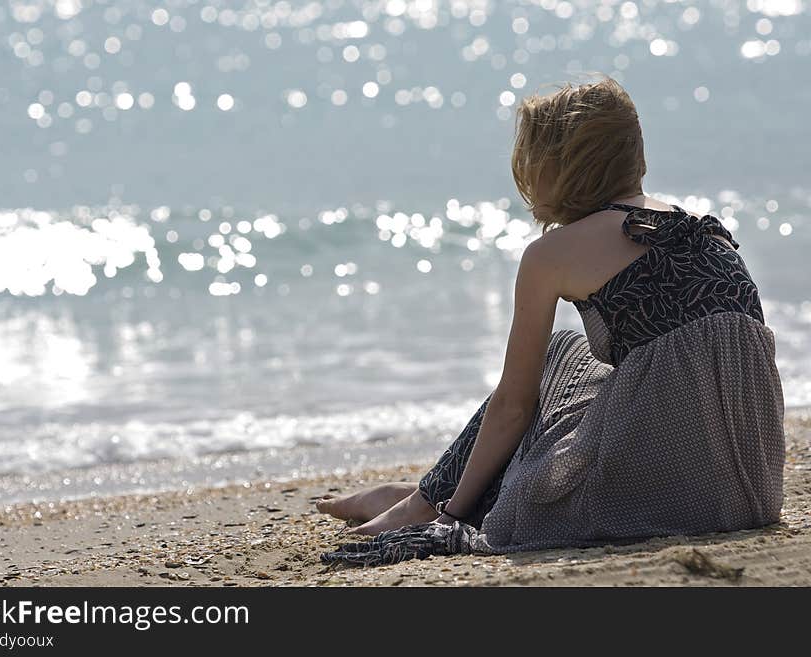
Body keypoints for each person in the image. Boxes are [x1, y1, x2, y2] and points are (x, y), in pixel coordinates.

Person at [317, 76, 785, 566]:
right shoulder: (699, 229)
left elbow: (513, 408)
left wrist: (450, 517)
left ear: (554, 167)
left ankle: (423, 503)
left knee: (557, 356)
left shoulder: (550, 256)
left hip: (669, 497)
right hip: (750, 486)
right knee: (575, 378)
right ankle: (422, 491)